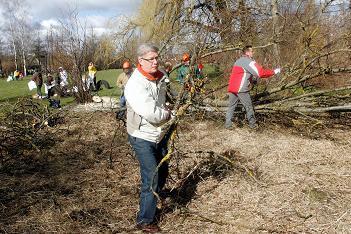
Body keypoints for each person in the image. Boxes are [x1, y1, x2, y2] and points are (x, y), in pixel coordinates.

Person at [124, 43, 172, 233]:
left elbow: (166, 98)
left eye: (156, 57)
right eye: (150, 59)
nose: (155, 61)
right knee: (151, 176)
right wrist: (170, 114)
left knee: (163, 169)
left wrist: (170, 106)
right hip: (141, 135)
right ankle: (145, 220)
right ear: (140, 61)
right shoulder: (134, 85)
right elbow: (151, 113)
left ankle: (156, 196)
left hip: (159, 133)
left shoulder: (159, 77)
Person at [225, 45, 281, 129]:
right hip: (241, 89)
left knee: (231, 106)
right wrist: (274, 71)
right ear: (247, 52)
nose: (253, 53)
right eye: (251, 51)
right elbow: (261, 73)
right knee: (249, 107)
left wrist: (252, 81)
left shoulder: (238, 61)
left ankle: (228, 125)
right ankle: (253, 125)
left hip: (232, 87)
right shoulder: (249, 62)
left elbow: (243, 73)